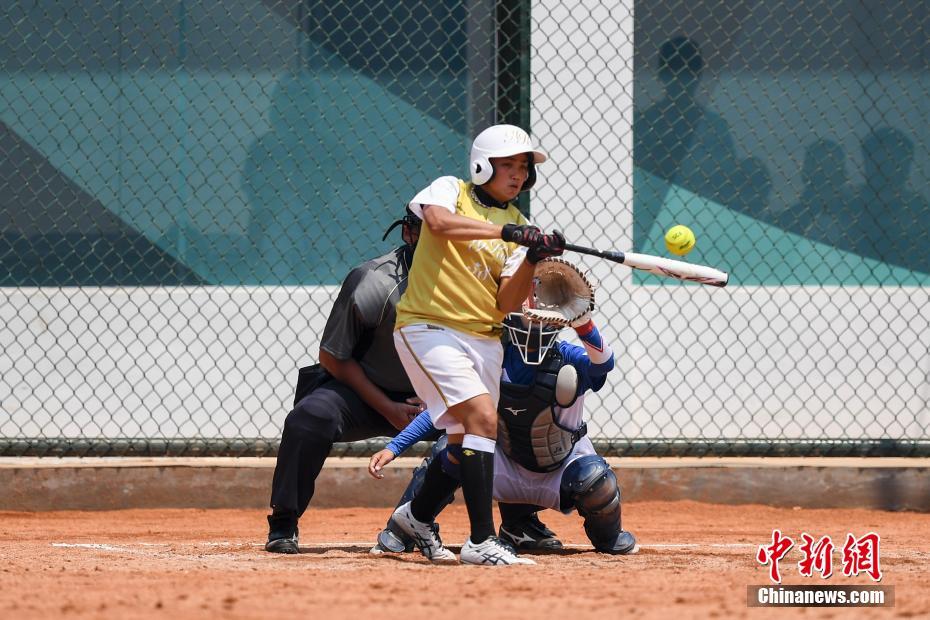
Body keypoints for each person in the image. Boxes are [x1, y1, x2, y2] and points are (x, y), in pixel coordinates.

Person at [388, 124, 566, 566]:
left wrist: (535, 257)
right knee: (483, 419)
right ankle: (481, 540)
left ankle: (416, 516)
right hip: (429, 326)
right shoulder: (450, 191)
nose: (519, 175)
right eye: (509, 165)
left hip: (483, 338)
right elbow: (438, 223)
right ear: (483, 164)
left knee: (459, 443)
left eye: (524, 167)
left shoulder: (521, 224)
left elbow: (507, 301)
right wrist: (507, 236)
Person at [370, 297, 637, 556]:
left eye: (543, 307)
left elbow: (604, 363)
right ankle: (401, 530)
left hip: (560, 471)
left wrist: (584, 323)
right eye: (529, 303)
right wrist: (395, 447)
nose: (534, 314)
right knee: (456, 447)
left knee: (596, 481)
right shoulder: (493, 359)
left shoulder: (569, 357)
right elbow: (449, 409)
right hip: (506, 469)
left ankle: (604, 537)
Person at [264, 208, 437, 553]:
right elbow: (332, 357)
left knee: (505, 417)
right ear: (409, 234)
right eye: (430, 234)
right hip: (365, 394)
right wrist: (386, 407)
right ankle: (284, 522)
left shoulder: (470, 283)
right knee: (310, 417)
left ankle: (516, 521)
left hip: (436, 400)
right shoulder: (375, 281)